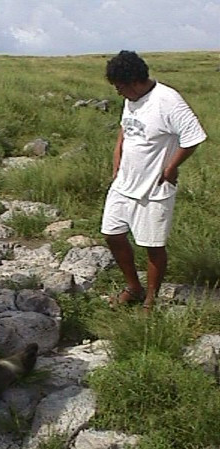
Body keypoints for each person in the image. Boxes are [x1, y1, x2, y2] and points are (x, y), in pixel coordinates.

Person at [101, 50, 207, 311]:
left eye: (120, 87)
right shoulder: (131, 98)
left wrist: (171, 168)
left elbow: (193, 137)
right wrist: (117, 155)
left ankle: (150, 301)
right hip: (124, 183)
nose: (118, 92)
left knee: (152, 246)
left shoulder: (168, 101)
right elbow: (125, 127)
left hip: (154, 188)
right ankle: (133, 288)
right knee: (112, 234)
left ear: (135, 81)